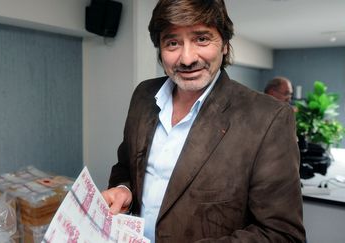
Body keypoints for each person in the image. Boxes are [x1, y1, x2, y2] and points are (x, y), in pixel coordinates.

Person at [101, 0, 305, 242]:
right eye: (173, 42)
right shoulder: (143, 96)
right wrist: (124, 190)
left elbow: (282, 235)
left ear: (225, 45)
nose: (187, 59)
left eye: (202, 39)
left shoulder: (269, 118)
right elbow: (125, 167)